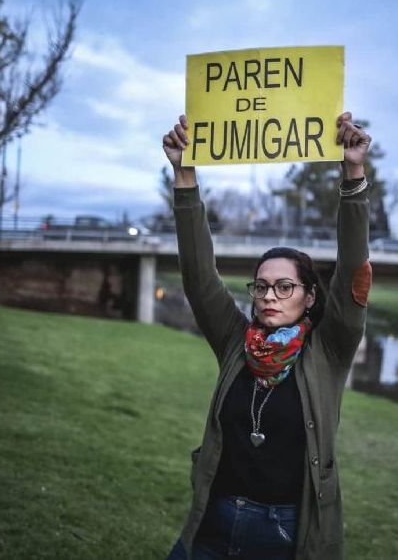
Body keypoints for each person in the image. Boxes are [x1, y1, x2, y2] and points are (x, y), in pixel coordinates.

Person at [163, 111, 372, 560]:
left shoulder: (329, 350)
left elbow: (354, 272)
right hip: (215, 523)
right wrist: (184, 179)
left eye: (284, 286)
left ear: (310, 297)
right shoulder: (236, 341)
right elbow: (200, 280)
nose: (269, 296)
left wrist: (353, 175)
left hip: (285, 534)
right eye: (261, 286)